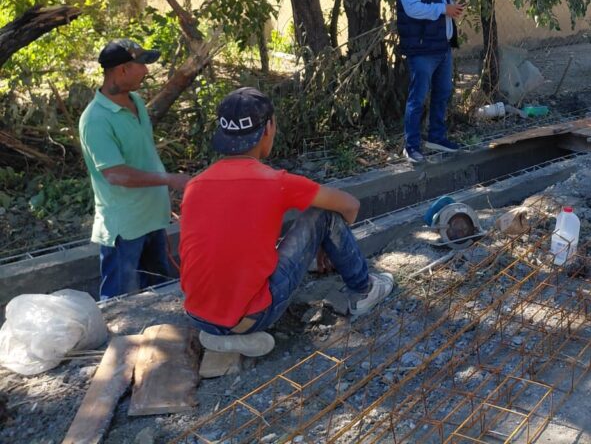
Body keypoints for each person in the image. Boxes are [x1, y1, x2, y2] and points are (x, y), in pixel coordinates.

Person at [179, 87, 395, 356]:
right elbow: (350, 205)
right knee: (323, 213)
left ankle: (222, 336)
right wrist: (329, 243)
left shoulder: (195, 185)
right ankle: (364, 290)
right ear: (268, 128)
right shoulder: (275, 182)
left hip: (198, 315)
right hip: (254, 316)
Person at [79, 39, 190, 300]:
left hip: (152, 219)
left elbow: (142, 156)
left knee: (159, 295)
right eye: (142, 65)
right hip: (125, 228)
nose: (147, 71)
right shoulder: (95, 119)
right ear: (122, 70)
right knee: (119, 304)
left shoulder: (136, 102)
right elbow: (115, 174)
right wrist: (169, 179)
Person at [397, 0, 465, 164]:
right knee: (417, 98)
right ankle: (411, 146)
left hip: (442, 48)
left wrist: (451, 8)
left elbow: (441, 7)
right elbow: (413, 9)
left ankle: (436, 137)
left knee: (443, 93)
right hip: (422, 50)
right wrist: (444, 8)